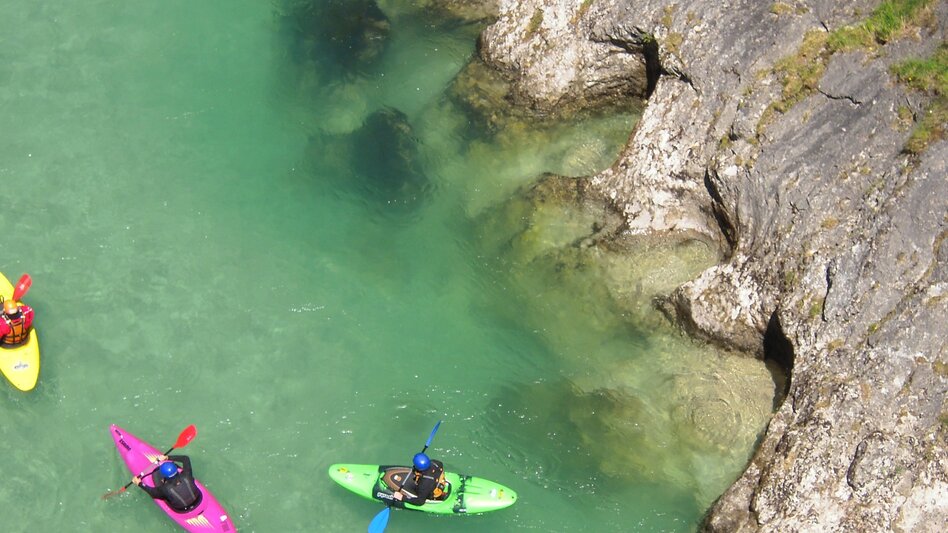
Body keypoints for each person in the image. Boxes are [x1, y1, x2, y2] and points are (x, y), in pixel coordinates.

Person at [133, 454, 201, 512]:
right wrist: (168, 457)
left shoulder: (165, 489)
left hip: (182, 509)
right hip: (198, 499)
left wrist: (140, 483)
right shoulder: (187, 475)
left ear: (164, 477)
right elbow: (185, 458)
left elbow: (152, 493)